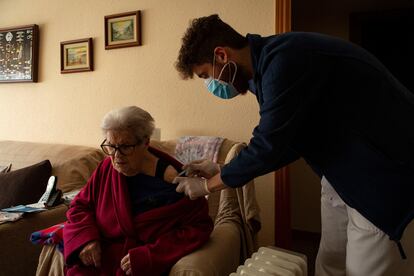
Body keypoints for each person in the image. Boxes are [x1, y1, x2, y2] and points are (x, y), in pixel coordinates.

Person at [173, 14, 414, 276]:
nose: (213, 85)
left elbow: (268, 145)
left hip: (380, 175)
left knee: (364, 269)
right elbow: (289, 141)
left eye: (206, 75)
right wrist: (220, 168)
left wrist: (208, 186)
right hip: (341, 172)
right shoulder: (263, 70)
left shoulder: (284, 59)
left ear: (221, 55)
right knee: (330, 261)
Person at [63, 106, 213, 276]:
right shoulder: (106, 168)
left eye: (125, 147)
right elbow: (80, 206)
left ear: (145, 143)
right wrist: (86, 240)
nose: (116, 156)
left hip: (139, 264)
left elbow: (199, 227)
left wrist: (151, 255)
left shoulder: (176, 182)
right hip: (100, 258)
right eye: (111, 146)